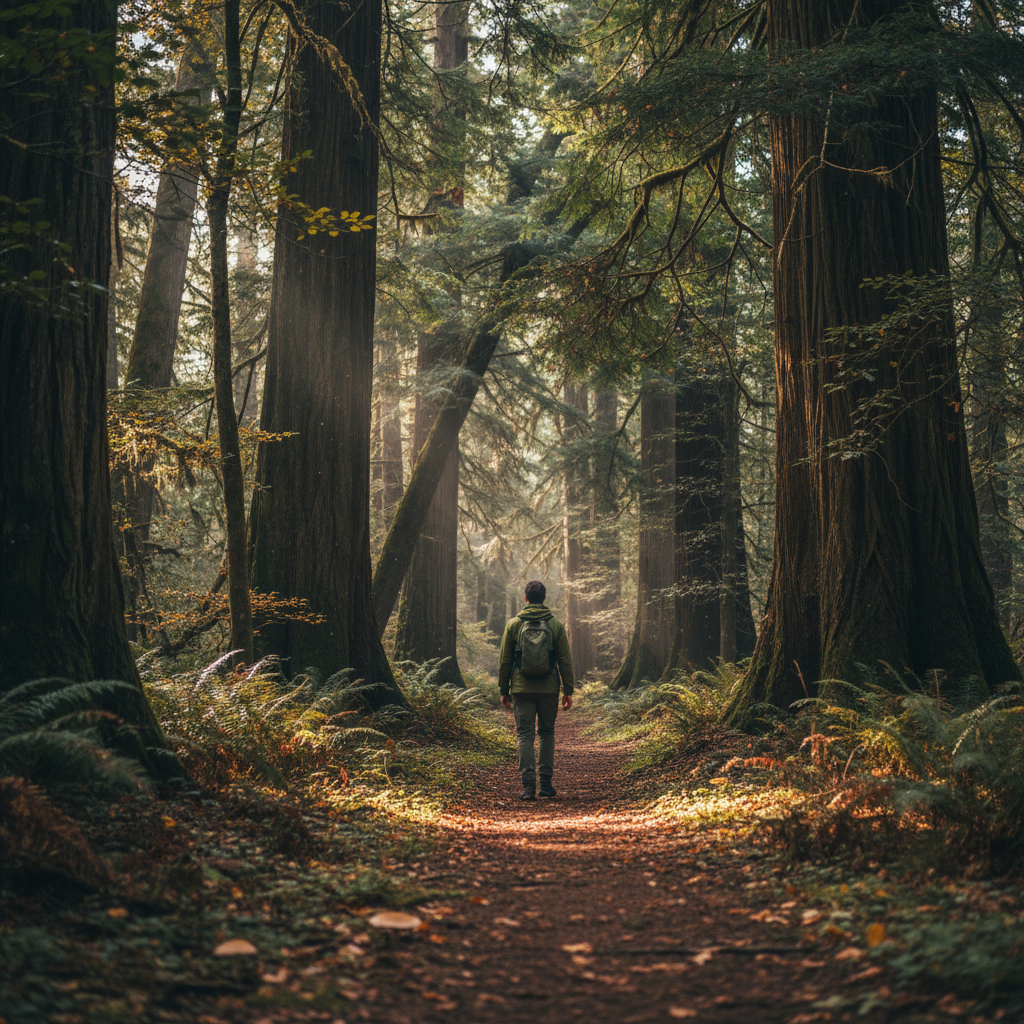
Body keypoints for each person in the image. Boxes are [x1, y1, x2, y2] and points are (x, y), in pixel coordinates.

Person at [498, 580, 574, 801]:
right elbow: (565, 661)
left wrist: (504, 689)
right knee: (547, 733)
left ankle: (528, 786)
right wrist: (567, 689)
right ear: (544, 598)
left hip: (521, 689)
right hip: (549, 688)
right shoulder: (555, 625)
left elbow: (505, 660)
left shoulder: (513, 625)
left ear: (525, 598)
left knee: (525, 735)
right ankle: (547, 785)